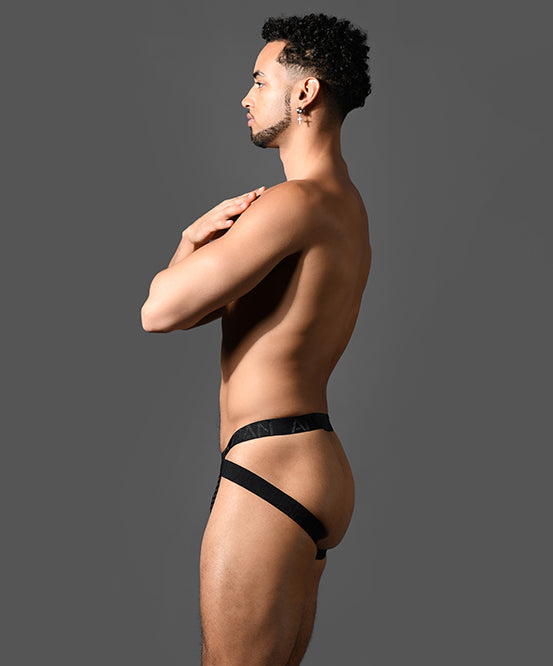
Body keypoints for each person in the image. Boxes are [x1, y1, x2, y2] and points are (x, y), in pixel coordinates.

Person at [141, 13, 372, 665]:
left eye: (260, 80)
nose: (246, 97)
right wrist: (193, 247)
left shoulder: (293, 204)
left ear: (305, 93)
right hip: (312, 459)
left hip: (269, 466)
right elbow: (202, 311)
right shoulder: (345, 205)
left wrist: (186, 243)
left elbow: (158, 311)